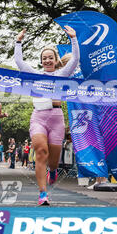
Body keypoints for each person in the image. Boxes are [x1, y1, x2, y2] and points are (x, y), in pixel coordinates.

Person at [14, 26, 79, 205]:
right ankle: (43, 194)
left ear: (55, 59)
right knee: (41, 151)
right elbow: (19, 62)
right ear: (41, 61)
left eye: (50, 57)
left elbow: (75, 60)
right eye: (44, 58)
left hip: (56, 118)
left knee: (53, 160)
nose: (47, 60)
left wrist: (73, 38)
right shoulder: (35, 75)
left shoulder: (62, 74)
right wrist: (18, 41)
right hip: (38, 117)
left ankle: (53, 170)